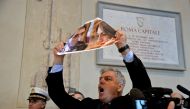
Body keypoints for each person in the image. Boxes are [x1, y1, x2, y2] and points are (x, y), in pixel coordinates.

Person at [46, 30, 152, 109]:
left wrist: (124, 48)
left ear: (120, 87)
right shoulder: (88, 106)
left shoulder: (130, 104)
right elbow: (58, 95)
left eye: (108, 79)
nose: (101, 81)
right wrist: (58, 59)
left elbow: (143, 85)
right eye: (101, 79)